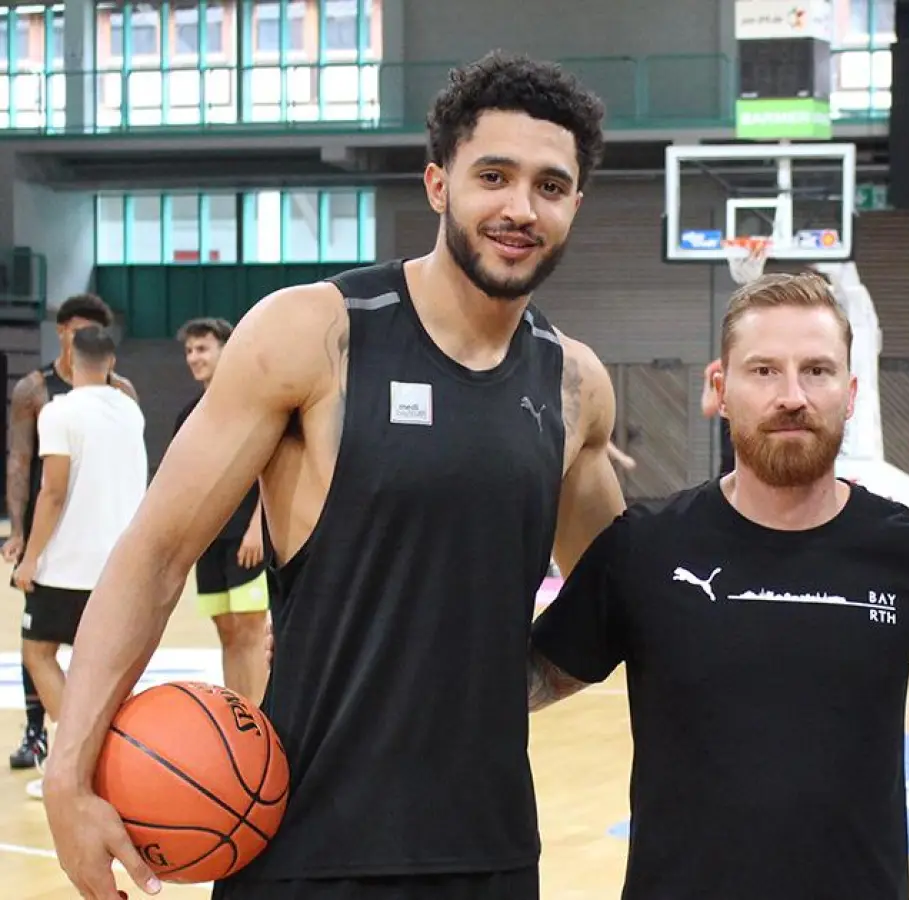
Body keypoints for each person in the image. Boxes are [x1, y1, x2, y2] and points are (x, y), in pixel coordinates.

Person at [42, 51, 626, 900]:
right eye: (492, 175)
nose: (518, 207)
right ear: (437, 184)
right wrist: (70, 773)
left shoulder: (573, 383)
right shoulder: (315, 334)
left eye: (548, 185)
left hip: (490, 852)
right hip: (306, 844)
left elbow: (615, 602)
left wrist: (496, 688)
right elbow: (156, 552)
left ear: (574, 203)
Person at [526, 271, 909, 899]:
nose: (792, 395)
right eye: (764, 370)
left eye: (817, 371)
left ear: (850, 393)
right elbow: (525, 683)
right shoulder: (644, 548)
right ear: (719, 388)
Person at [12, 325, 146, 801]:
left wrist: (29, 559)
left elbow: (52, 490)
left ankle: (75, 764)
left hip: (69, 566)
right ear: (111, 362)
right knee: (102, 670)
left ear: (68, 357)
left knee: (38, 651)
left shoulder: (59, 411)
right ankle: (105, 765)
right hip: (123, 568)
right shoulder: (130, 410)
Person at [175, 317, 272, 704]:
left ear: (225, 351)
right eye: (189, 350)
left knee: (250, 634)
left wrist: (257, 528)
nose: (194, 357)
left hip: (247, 538)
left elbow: (270, 472)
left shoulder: (253, 402)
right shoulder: (188, 414)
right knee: (227, 633)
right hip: (211, 540)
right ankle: (240, 723)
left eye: (203, 348)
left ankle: (264, 721)